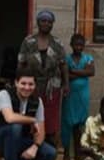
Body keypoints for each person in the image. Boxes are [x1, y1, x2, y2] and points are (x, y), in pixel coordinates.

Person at [18, 9, 69, 148]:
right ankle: (30, 147)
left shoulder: (57, 43)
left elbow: (63, 65)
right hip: (32, 85)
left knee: (51, 117)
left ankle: (49, 149)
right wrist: (19, 83)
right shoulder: (28, 41)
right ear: (38, 22)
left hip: (52, 86)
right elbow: (21, 62)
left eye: (49, 21)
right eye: (43, 21)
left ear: (52, 24)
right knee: (31, 114)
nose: (46, 24)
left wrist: (66, 84)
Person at [62, 34, 95, 160]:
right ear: (71, 45)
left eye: (81, 45)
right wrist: (82, 72)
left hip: (83, 95)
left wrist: (73, 72)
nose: (79, 47)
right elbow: (64, 75)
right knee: (67, 123)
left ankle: (78, 153)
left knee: (79, 125)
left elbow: (91, 72)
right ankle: (66, 153)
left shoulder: (88, 58)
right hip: (69, 94)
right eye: (76, 44)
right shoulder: (67, 59)